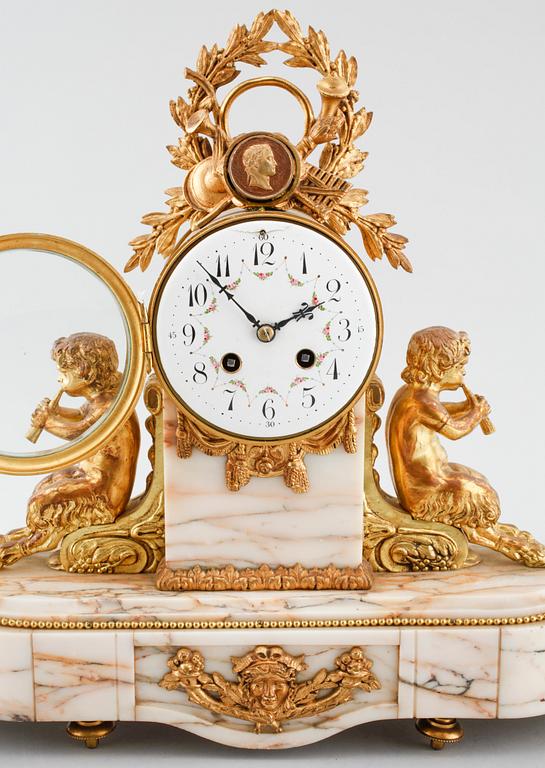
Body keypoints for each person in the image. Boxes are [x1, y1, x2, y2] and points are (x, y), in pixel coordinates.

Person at [386, 326, 545, 566]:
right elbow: (454, 430)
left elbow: (440, 412)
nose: (464, 371)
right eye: (459, 367)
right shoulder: (421, 402)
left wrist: (464, 406)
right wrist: (476, 413)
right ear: (439, 366)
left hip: (431, 477)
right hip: (424, 492)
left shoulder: (415, 394)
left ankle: (477, 526)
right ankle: (491, 538)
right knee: (482, 495)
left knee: (477, 479)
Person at [0, 333, 139, 568]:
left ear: (87, 373)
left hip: (103, 493)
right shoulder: (101, 400)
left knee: (43, 501)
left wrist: (48, 422)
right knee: (43, 489)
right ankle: (34, 534)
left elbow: (81, 432)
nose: (59, 379)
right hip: (89, 475)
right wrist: (55, 413)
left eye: (64, 373)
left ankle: (24, 548)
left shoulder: (109, 408)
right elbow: (80, 416)